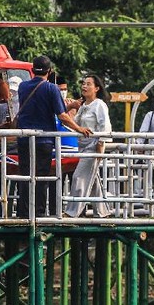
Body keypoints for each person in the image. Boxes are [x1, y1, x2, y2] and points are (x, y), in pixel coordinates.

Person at [15, 55, 88, 219]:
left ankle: (23, 212)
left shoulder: (22, 87)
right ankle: (39, 213)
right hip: (43, 140)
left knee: (25, 175)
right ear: (49, 71)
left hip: (24, 138)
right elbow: (62, 115)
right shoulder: (51, 88)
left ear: (32, 70)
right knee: (41, 177)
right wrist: (79, 128)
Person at [65, 74, 112, 218]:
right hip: (83, 146)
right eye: (83, 83)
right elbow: (75, 125)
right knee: (92, 179)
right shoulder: (83, 106)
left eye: (88, 84)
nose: (84, 86)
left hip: (94, 145)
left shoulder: (99, 105)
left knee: (79, 176)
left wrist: (100, 145)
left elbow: (105, 127)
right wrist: (69, 108)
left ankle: (72, 212)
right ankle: (103, 212)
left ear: (96, 88)